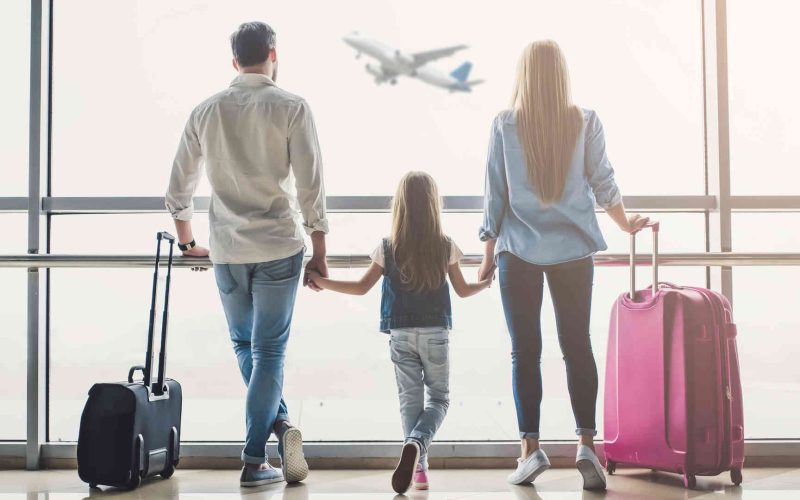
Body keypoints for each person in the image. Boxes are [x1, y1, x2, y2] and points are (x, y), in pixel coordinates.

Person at [477, 40, 649, 491]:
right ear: (562, 76)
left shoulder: (504, 124)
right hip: (573, 250)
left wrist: (487, 253)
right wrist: (625, 223)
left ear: (525, 76)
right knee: (577, 346)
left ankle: (529, 451)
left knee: (525, 352)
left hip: (518, 252)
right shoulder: (585, 121)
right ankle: (586, 445)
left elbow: (495, 195)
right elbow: (603, 181)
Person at [165, 21, 328, 487]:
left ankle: (277, 427)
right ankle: (255, 458)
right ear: (273, 54)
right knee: (270, 350)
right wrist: (320, 251)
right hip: (280, 245)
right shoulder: (293, 106)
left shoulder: (206, 111)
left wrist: (186, 243)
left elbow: (178, 190)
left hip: (228, 251)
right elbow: (311, 187)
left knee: (246, 346)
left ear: (233, 61)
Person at [308, 172, 493, 494]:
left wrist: (322, 282)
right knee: (439, 399)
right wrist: (487, 282)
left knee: (410, 402)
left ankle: (419, 471)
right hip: (436, 332)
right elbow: (463, 290)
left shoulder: (388, 246)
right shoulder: (445, 245)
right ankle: (417, 445)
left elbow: (362, 287)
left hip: (401, 333)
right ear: (434, 205)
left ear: (401, 206)